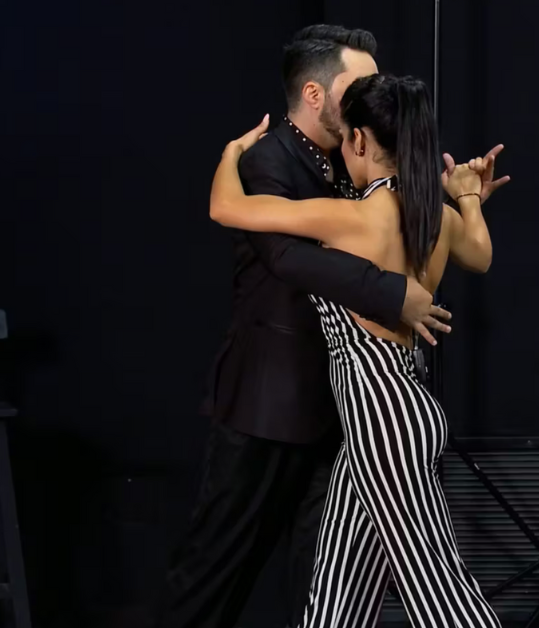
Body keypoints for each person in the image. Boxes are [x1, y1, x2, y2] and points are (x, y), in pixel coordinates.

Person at [157, 26, 458, 628]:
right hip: (269, 401)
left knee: (326, 585)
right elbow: (283, 256)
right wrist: (391, 292)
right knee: (217, 569)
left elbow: (396, 231)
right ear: (315, 94)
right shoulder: (268, 159)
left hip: (350, 408)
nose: (370, 94)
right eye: (358, 83)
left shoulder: (357, 157)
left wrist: (454, 197)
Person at [210, 73, 503, 627]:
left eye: (345, 138)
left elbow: (226, 207)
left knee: (441, 594)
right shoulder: (435, 217)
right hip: (390, 414)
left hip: (381, 419)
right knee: (337, 597)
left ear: (361, 141)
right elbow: (481, 255)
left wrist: (232, 152)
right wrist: (467, 196)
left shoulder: (352, 216)